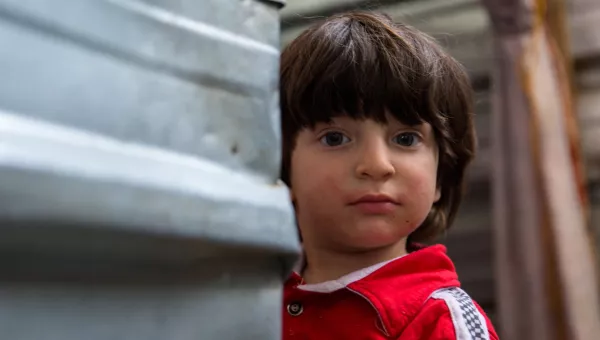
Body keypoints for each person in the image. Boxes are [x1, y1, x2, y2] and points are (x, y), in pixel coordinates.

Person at [279, 11, 499, 340]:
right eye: (335, 138)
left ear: (440, 178)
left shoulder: (443, 321)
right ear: (283, 166)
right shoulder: (245, 293)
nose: (378, 165)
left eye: (406, 139)